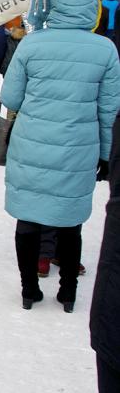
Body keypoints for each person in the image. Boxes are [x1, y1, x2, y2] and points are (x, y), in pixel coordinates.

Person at [1, 0, 120, 312]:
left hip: (32, 144)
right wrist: (106, 155)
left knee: (28, 218)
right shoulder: (105, 49)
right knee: (70, 221)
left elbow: (10, 96)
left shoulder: (32, 44)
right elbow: (109, 109)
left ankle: (29, 291)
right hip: (79, 147)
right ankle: (68, 292)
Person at [91, 108, 120, 393]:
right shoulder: (106, 59)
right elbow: (109, 103)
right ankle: (66, 284)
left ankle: (40, 261)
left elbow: (12, 95)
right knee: (68, 205)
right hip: (82, 138)